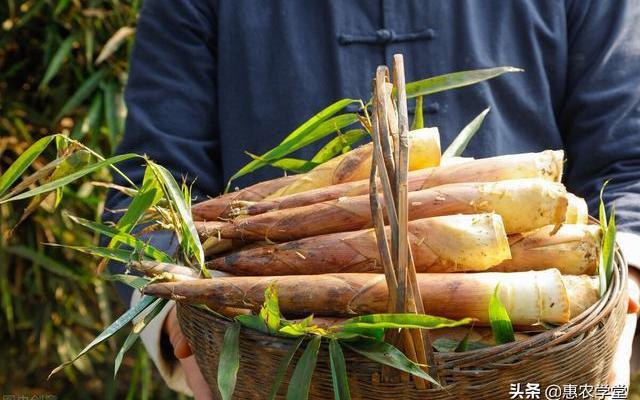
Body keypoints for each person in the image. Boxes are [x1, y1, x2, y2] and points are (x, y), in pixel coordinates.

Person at [105, 1, 640, 398]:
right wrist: (181, 322)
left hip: (527, 349)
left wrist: (626, 299)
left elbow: (629, 161)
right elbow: (152, 183)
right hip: (281, 358)